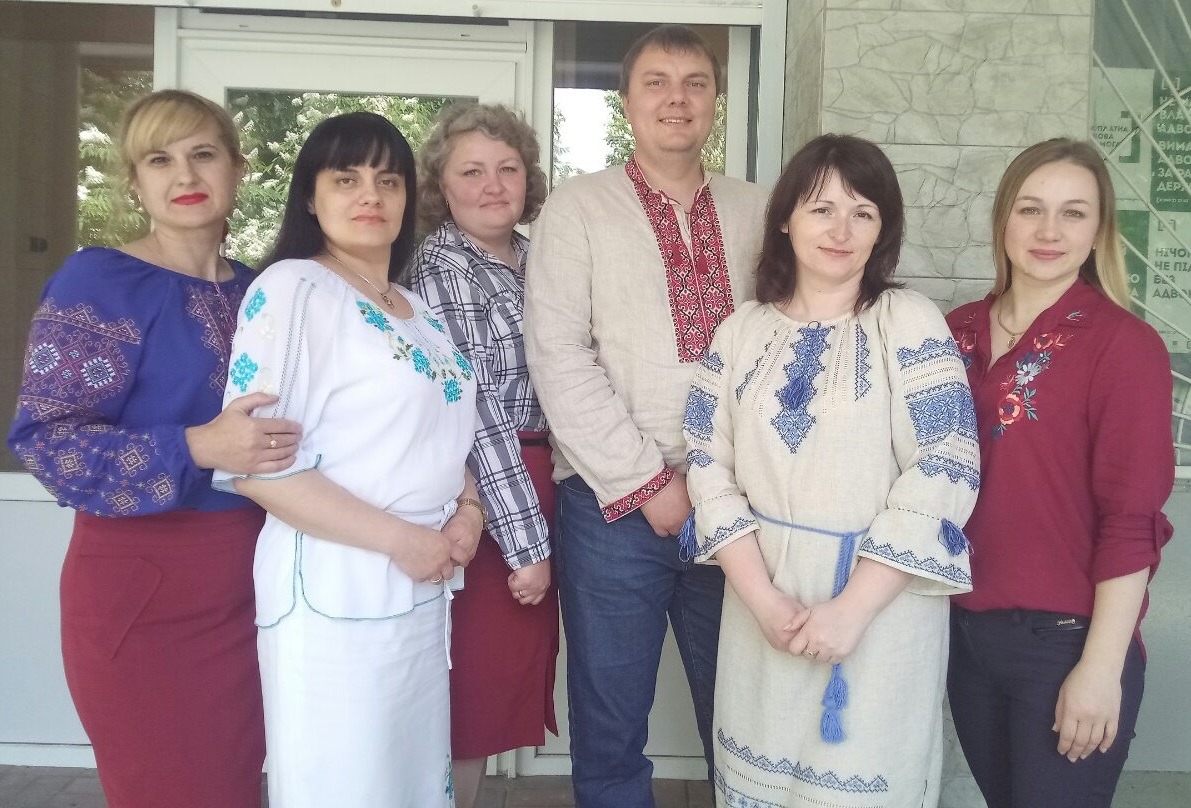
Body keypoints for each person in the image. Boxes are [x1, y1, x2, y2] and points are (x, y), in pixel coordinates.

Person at [6, 89, 301, 808]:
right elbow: (49, 441)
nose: (185, 174)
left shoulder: (262, 292)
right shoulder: (100, 281)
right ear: (135, 182)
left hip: (255, 581)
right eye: (159, 160)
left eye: (202, 153)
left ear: (237, 168)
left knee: (235, 787)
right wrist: (198, 444)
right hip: (143, 589)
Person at [682, 134, 980, 807]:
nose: (841, 230)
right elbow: (706, 464)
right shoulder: (740, 331)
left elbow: (945, 461)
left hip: (878, 613)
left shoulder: (908, 321)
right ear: (785, 219)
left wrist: (852, 609)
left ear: (883, 230)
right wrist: (764, 601)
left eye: (862, 212)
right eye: (822, 209)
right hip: (762, 606)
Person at [524, 24, 769, 807]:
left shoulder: (759, 210)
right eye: (656, 82)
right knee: (610, 723)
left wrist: (724, 484)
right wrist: (646, 483)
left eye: (695, 82)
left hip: (738, 503)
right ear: (626, 102)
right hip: (613, 510)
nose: (676, 98)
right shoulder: (577, 208)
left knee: (743, 717)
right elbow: (558, 356)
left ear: (715, 100)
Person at [211, 111, 483, 808]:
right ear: (310, 196)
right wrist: (403, 540)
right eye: (346, 178)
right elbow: (258, 465)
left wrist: (468, 510)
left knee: (408, 782)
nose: (370, 195)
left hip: (421, 585)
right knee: (347, 785)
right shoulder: (295, 289)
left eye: (388, 180)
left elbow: (441, 431)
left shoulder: (415, 308)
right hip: (335, 591)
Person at [945, 138, 1174, 808]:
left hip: (1066, 641)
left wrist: (1100, 669)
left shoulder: (1124, 345)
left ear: (1098, 230)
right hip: (963, 634)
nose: (1049, 231)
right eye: (1030, 209)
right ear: (1003, 220)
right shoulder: (951, 333)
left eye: (1073, 213)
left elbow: (1131, 521)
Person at [409, 102, 559, 808]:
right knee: (470, 691)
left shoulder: (536, 257)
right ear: (441, 185)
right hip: (490, 489)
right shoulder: (442, 269)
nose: (494, 185)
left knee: (498, 685)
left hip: (543, 476)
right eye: (472, 172)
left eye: (508, 168)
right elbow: (479, 412)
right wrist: (525, 543)